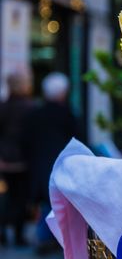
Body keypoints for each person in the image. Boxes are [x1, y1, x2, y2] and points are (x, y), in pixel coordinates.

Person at [21, 72, 78, 254]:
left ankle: (45, 237)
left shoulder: (34, 114)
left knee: (46, 201)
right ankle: (54, 238)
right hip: (62, 164)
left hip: (39, 164)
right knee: (59, 201)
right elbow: (78, 140)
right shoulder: (67, 114)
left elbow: (25, 141)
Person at [0, 69, 33, 246]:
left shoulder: (3, 107)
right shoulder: (31, 108)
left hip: (5, 161)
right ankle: (19, 236)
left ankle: (3, 232)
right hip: (23, 161)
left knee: (6, 198)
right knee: (21, 199)